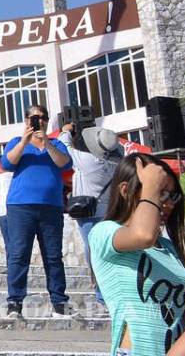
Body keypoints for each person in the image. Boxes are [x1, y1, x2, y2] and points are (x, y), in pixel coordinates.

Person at [89, 153, 185, 356]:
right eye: (159, 192)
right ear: (126, 191)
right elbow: (143, 235)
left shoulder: (168, 248)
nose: (168, 203)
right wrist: (150, 186)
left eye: (172, 196)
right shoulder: (104, 232)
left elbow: (177, 313)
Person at [0, 103, 72, 319]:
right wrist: (25, 140)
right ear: (26, 120)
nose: (38, 121)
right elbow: (6, 163)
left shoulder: (57, 143)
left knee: (53, 256)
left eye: (41, 118)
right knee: (19, 254)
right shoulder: (15, 143)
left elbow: (64, 164)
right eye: (33, 117)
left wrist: (47, 143)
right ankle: (15, 302)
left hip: (51, 206)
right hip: (21, 207)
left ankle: (59, 302)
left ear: (47, 121)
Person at [60, 122, 122, 308]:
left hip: (88, 212)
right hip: (109, 211)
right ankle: (109, 290)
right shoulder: (118, 162)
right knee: (107, 252)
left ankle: (101, 293)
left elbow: (64, 145)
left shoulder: (87, 160)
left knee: (93, 252)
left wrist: (66, 131)